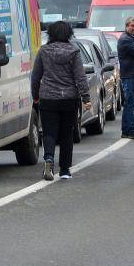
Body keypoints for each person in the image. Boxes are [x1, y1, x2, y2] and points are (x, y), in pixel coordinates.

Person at [30, 20, 90, 181]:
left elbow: (35, 77)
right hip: (69, 98)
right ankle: (64, 170)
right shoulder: (74, 52)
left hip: (48, 97)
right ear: (68, 34)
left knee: (49, 132)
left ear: (51, 34)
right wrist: (86, 97)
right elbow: (80, 77)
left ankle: (49, 158)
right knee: (66, 134)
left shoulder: (43, 51)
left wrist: (35, 95)